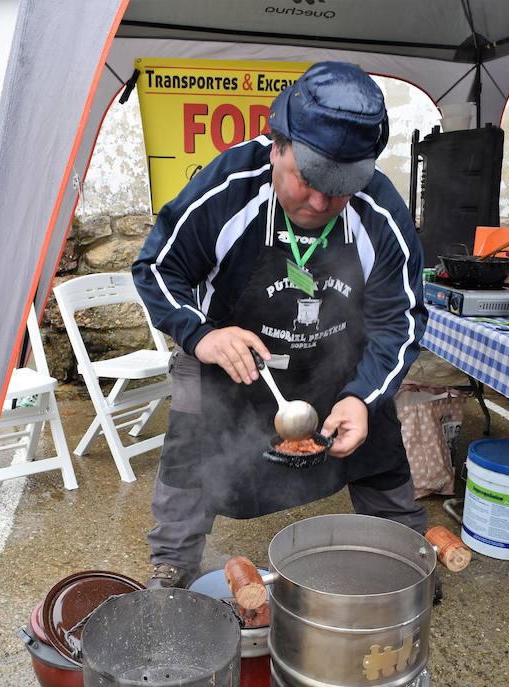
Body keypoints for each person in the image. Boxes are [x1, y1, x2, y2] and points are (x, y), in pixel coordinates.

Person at [132, 61, 428, 590]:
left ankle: (405, 558)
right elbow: (156, 269)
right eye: (309, 181)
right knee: (188, 449)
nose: (319, 203)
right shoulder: (227, 189)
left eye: (340, 190)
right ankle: (172, 563)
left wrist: (362, 398)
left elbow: (398, 321)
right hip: (227, 360)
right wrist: (201, 335)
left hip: (335, 365)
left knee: (379, 441)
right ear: (277, 147)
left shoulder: (379, 213)